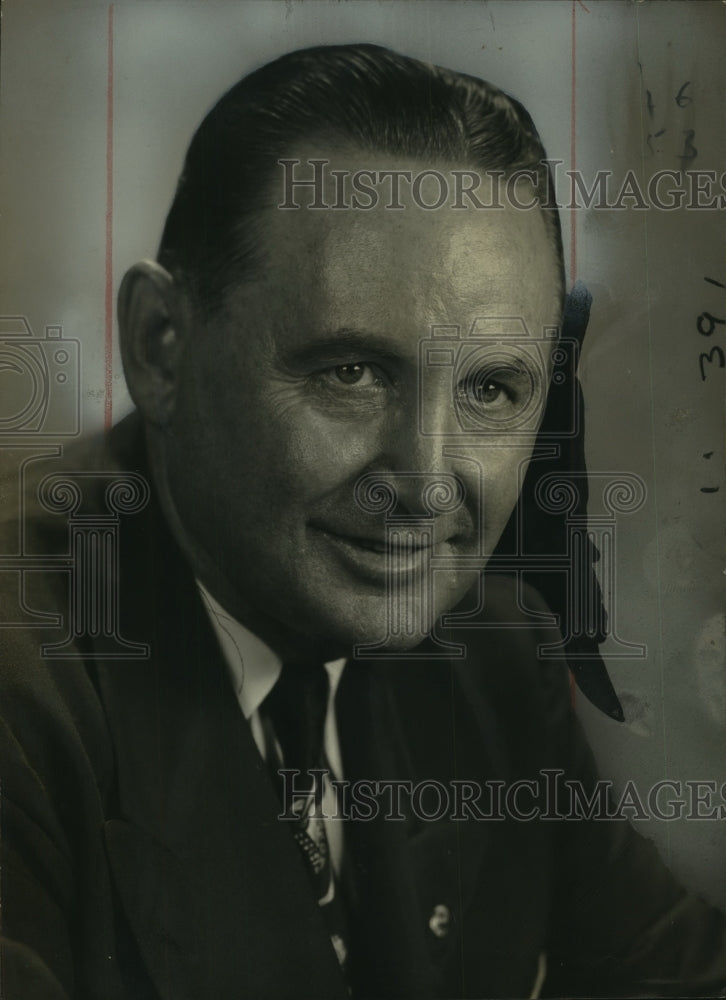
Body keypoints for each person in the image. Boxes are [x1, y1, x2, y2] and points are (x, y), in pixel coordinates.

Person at [0, 43, 724, 1000]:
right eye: (351, 372)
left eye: (494, 389)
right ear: (161, 347)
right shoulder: (25, 684)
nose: (427, 482)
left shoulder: (494, 658)